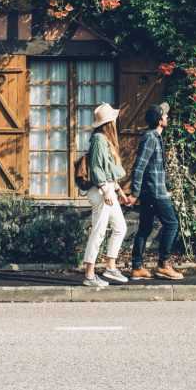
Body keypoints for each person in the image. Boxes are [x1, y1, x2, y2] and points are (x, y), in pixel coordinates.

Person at [128, 103, 183, 281]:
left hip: (155, 190)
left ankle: (137, 268)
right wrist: (135, 193)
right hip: (153, 192)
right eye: (165, 115)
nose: (167, 117)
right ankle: (163, 265)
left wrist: (165, 189)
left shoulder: (154, 137)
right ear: (160, 120)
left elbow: (154, 169)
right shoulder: (151, 138)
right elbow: (139, 167)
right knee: (172, 224)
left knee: (145, 227)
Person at [80, 103, 131, 287]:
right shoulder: (99, 140)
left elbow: (107, 169)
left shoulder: (104, 140)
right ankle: (89, 274)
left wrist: (119, 190)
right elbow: (96, 169)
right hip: (101, 192)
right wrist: (105, 189)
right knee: (99, 231)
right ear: (109, 122)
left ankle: (110, 266)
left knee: (120, 228)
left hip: (108, 190)